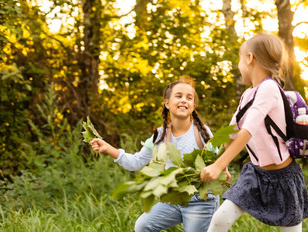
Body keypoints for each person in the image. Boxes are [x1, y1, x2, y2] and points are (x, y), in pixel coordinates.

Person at [200, 32, 308, 232]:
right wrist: (219, 161)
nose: (239, 65)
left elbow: (248, 129)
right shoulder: (247, 95)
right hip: (255, 174)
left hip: (283, 177)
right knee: (220, 219)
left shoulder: (269, 88)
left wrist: (219, 165)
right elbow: (232, 132)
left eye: (239, 60)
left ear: (249, 58)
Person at [90, 76, 230, 232]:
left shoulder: (202, 132)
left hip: (200, 200)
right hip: (174, 198)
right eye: (179, 96)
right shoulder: (159, 136)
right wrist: (109, 148)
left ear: (193, 106)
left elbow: (217, 160)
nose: (184, 100)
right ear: (167, 103)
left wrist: (223, 168)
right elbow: (135, 162)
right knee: (143, 226)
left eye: (189, 98)